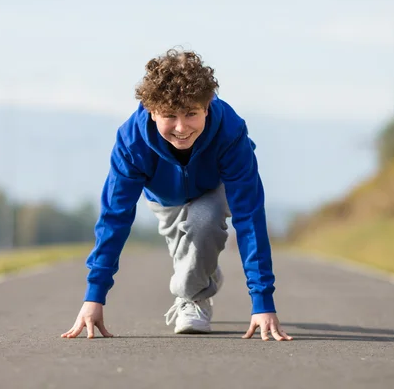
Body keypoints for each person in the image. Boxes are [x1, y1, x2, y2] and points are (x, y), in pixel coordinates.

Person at [61, 48, 293, 341]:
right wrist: (94, 297)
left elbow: (249, 217)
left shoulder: (231, 133)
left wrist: (262, 303)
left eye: (191, 114)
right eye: (169, 115)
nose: (181, 128)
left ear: (207, 106)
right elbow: (114, 218)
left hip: (213, 188)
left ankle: (192, 300)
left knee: (203, 220)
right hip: (165, 199)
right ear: (150, 110)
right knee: (192, 253)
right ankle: (205, 275)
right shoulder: (132, 143)